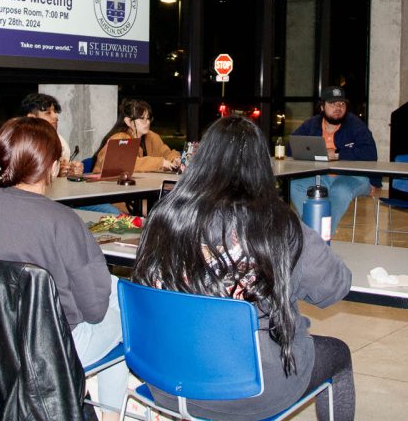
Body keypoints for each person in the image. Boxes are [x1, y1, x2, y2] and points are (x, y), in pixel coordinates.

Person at [132, 116, 354, 421]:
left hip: (165, 378)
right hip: (249, 391)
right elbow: (333, 288)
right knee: (338, 354)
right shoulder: (277, 224)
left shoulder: (163, 217)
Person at [0, 116, 129, 421]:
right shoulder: (63, 221)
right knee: (125, 317)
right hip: (50, 351)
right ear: (51, 167)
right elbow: (94, 310)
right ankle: (110, 415)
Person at [288, 86, 379, 229]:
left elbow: (370, 153)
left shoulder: (355, 125)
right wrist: (314, 153)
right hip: (322, 176)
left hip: (353, 177)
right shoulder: (311, 125)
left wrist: (337, 154)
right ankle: (314, 230)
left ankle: (320, 235)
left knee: (340, 190)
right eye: (332, 104)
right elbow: (291, 146)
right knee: (296, 185)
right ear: (322, 107)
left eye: (342, 104)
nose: (338, 107)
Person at [92, 98, 180, 174]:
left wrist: (174, 159)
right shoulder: (119, 138)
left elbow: (166, 153)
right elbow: (124, 164)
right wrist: (160, 163)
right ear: (128, 121)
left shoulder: (152, 137)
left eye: (148, 118)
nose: (148, 122)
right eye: (142, 119)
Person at [21, 91, 73, 163]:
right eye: (48, 113)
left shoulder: (60, 141)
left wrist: (69, 169)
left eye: (54, 112)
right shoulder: (20, 143)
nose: (55, 116)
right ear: (32, 118)